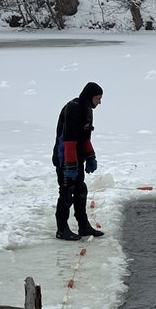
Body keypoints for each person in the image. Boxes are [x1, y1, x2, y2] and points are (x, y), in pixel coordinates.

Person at [52, 81, 105, 241]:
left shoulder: (88, 109)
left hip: (77, 158)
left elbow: (85, 138)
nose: (100, 102)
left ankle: (83, 226)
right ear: (90, 97)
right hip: (65, 159)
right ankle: (61, 230)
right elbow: (68, 141)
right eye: (98, 98)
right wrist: (70, 166)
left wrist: (91, 157)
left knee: (81, 190)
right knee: (67, 193)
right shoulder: (73, 108)